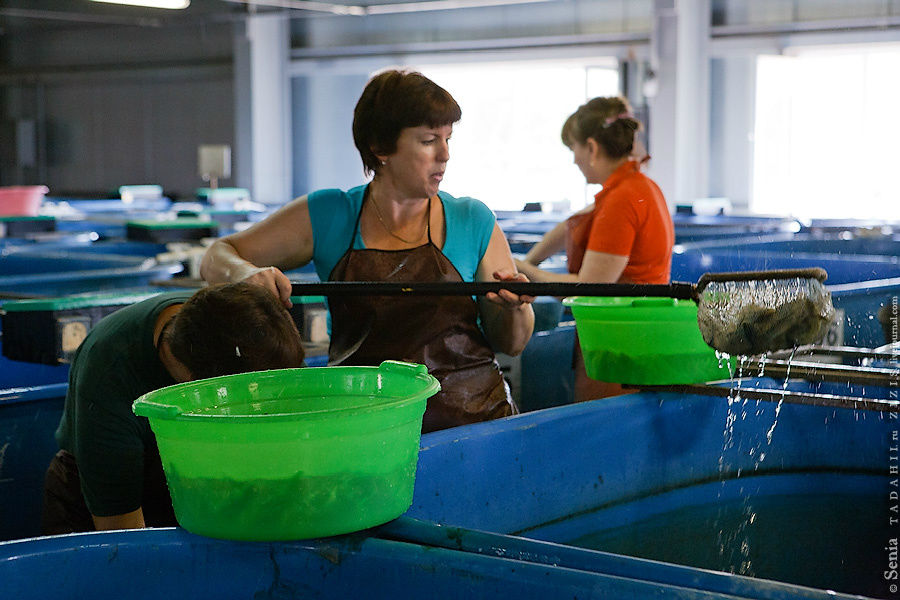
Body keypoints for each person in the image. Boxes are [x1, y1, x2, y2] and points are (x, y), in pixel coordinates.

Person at [201, 68, 535, 433]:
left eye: (448, 138)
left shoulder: (471, 219)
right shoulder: (330, 215)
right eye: (428, 141)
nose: (445, 154)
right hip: (365, 433)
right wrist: (244, 273)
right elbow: (218, 254)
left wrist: (515, 308)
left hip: (475, 427)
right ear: (379, 148)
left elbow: (513, 344)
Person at [42, 282, 305, 535]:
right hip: (105, 499)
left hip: (193, 478)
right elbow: (123, 539)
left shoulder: (223, 323)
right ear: (199, 389)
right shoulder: (110, 373)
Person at [515, 96, 674, 403]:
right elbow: (572, 226)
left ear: (591, 147)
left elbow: (588, 290)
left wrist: (523, 269)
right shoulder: (637, 187)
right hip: (638, 342)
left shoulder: (622, 200)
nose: (574, 159)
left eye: (574, 148)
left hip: (619, 351)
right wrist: (529, 258)